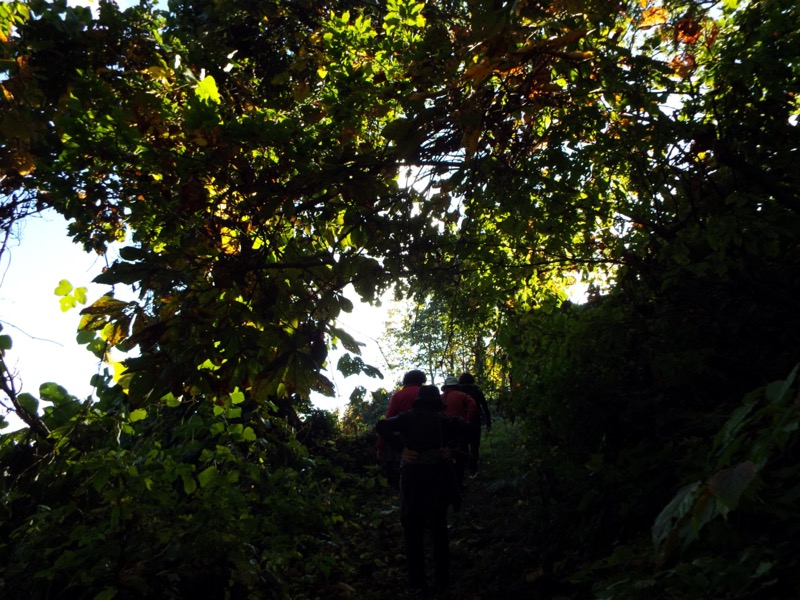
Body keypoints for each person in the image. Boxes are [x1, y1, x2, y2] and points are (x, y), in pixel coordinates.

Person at [375, 385, 471, 599]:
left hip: (413, 478)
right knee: (439, 528)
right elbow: (468, 428)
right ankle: (442, 580)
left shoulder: (407, 418)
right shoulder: (443, 420)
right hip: (438, 477)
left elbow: (381, 425)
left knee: (413, 529)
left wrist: (402, 449)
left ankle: (417, 583)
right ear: (437, 402)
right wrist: (452, 447)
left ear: (418, 401)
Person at [376, 369, 427, 486]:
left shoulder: (398, 395)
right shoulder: (425, 393)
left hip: (401, 442)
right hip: (425, 438)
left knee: (401, 473)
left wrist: (381, 446)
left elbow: (388, 420)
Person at [441, 376, 477, 493]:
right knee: (460, 453)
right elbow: (473, 405)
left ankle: (447, 483)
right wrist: (467, 420)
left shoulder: (441, 397)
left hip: (444, 430)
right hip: (459, 427)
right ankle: (458, 483)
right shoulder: (461, 395)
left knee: (446, 455)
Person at [458, 372, 492, 478]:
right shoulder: (476, 390)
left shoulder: (458, 391)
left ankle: (463, 469)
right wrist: (488, 422)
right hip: (475, 421)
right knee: (475, 445)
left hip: (461, 421)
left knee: (463, 446)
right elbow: (484, 407)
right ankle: (473, 470)